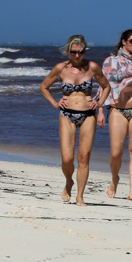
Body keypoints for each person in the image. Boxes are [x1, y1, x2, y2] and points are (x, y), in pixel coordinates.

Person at [39, 34, 111, 206]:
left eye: (80, 52)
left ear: (84, 51)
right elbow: (43, 87)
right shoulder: (60, 68)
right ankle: (68, 181)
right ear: (68, 51)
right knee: (67, 158)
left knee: (84, 157)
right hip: (66, 115)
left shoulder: (92, 67)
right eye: (73, 52)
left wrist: (99, 102)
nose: (77, 56)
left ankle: (80, 196)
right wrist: (55, 103)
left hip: (88, 116)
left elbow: (106, 86)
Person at [103, 29, 132, 201]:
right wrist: (100, 110)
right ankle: (115, 179)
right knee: (116, 152)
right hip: (118, 109)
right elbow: (105, 85)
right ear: (124, 42)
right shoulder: (111, 61)